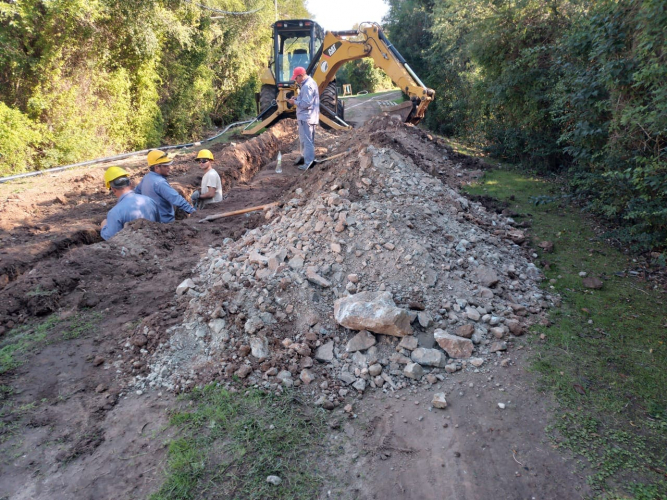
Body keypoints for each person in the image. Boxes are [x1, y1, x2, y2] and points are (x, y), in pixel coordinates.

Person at [135, 150, 196, 223]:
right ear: (157, 167)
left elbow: (136, 192)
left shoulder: (146, 178)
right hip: (165, 224)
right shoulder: (160, 183)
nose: (169, 168)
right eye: (165, 166)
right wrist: (193, 212)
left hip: (151, 222)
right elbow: (176, 199)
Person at [100, 166, 160, 240]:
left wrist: (104, 226)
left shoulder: (115, 212)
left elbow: (110, 238)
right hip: (156, 245)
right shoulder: (149, 200)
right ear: (130, 184)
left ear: (113, 189)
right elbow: (158, 224)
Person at [287, 67, 320, 171]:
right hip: (309, 116)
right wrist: (297, 98)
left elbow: (306, 103)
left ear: (301, 76)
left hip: (306, 117)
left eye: (296, 78)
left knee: (307, 141)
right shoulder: (310, 83)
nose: (295, 80)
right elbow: (307, 99)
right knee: (307, 140)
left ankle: (308, 163)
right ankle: (306, 158)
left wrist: (294, 102)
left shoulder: (306, 86)